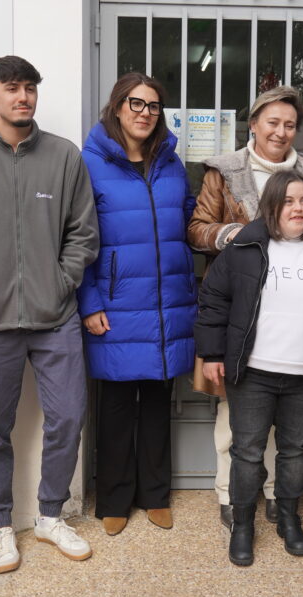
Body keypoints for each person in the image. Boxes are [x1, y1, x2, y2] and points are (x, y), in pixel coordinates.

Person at [0, 56, 99, 573]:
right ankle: (1, 527)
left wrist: (60, 281)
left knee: (69, 416)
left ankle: (50, 515)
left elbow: (83, 231)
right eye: (12, 88)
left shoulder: (63, 155)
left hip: (57, 319)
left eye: (30, 88)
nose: (23, 97)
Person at [195, 170, 303, 566]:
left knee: (294, 450)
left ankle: (287, 516)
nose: (298, 208)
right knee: (247, 453)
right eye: (288, 201)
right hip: (253, 372)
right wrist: (213, 354)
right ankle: (244, 524)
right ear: (271, 207)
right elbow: (214, 301)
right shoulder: (245, 246)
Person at [187, 85, 303, 529]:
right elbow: (196, 230)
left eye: (290, 125)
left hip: (294, 319)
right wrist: (234, 235)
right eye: (273, 122)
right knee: (235, 416)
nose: (281, 132)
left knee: (283, 419)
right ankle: (231, 494)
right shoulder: (224, 171)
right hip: (239, 313)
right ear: (254, 124)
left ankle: (273, 494)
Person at [79, 73, 196, 535]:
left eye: (153, 106)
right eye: (136, 103)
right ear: (117, 106)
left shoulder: (171, 163)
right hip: (115, 302)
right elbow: (78, 238)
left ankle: (155, 494)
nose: (145, 112)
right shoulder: (89, 163)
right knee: (115, 404)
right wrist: (89, 301)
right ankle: (112, 498)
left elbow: (187, 223)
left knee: (156, 401)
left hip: (167, 303)